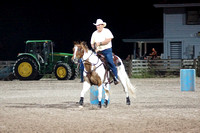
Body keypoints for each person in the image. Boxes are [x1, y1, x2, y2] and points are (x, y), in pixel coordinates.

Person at [90, 19, 119, 85]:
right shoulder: (94, 33)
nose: (98, 26)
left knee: (110, 61)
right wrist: (95, 48)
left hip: (107, 50)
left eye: (99, 25)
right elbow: (92, 43)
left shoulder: (107, 31)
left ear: (102, 25)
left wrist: (99, 43)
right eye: (97, 25)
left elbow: (108, 40)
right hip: (98, 51)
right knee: (91, 61)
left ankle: (115, 77)